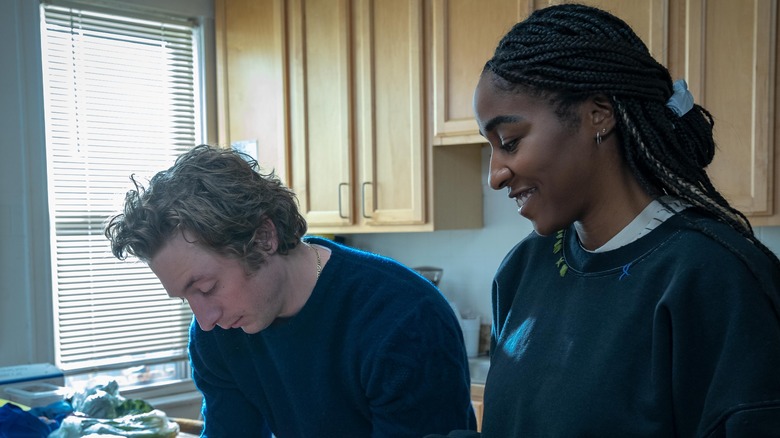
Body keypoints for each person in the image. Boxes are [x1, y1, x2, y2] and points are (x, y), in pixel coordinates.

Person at [432, 3, 780, 438]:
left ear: (598, 114)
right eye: (491, 148)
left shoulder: (712, 278)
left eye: (510, 141)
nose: (495, 174)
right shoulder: (522, 269)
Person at [104, 145, 476, 437]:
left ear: (264, 237)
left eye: (206, 287)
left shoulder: (403, 319)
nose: (205, 319)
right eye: (186, 299)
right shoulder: (218, 335)